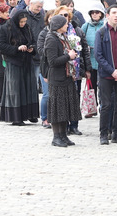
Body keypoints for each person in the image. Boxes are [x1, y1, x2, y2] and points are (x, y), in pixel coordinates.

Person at [94, 5, 117, 145]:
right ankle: (104, 134)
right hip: (106, 75)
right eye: (114, 13)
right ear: (107, 15)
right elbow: (98, 55)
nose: (116, 15)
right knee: (106, 105)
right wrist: (112, 71)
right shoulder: (101, 33)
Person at [43, 14, 82, 147]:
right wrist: (68, 56)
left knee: (65, 108)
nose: (67, 25)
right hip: (57, 79)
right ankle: (56, 137)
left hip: (67, 77)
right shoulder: (51, 39)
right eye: (65, 24)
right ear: (59, 26)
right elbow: (52, 61)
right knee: (57, 109)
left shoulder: (63, 37)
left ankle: (64, 136)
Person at [0, 7, 40, 125]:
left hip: (27, 61)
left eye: (25, 21)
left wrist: (32, 49)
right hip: (14, 62)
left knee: (29, 87)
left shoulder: (27, 28)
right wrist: (17, 48)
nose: (23, 24)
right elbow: (2, 46)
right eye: (21, 22)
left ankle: (31, 113)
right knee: (16, 88)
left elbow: (33, 41)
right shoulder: (5, 28)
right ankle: (16, 117)